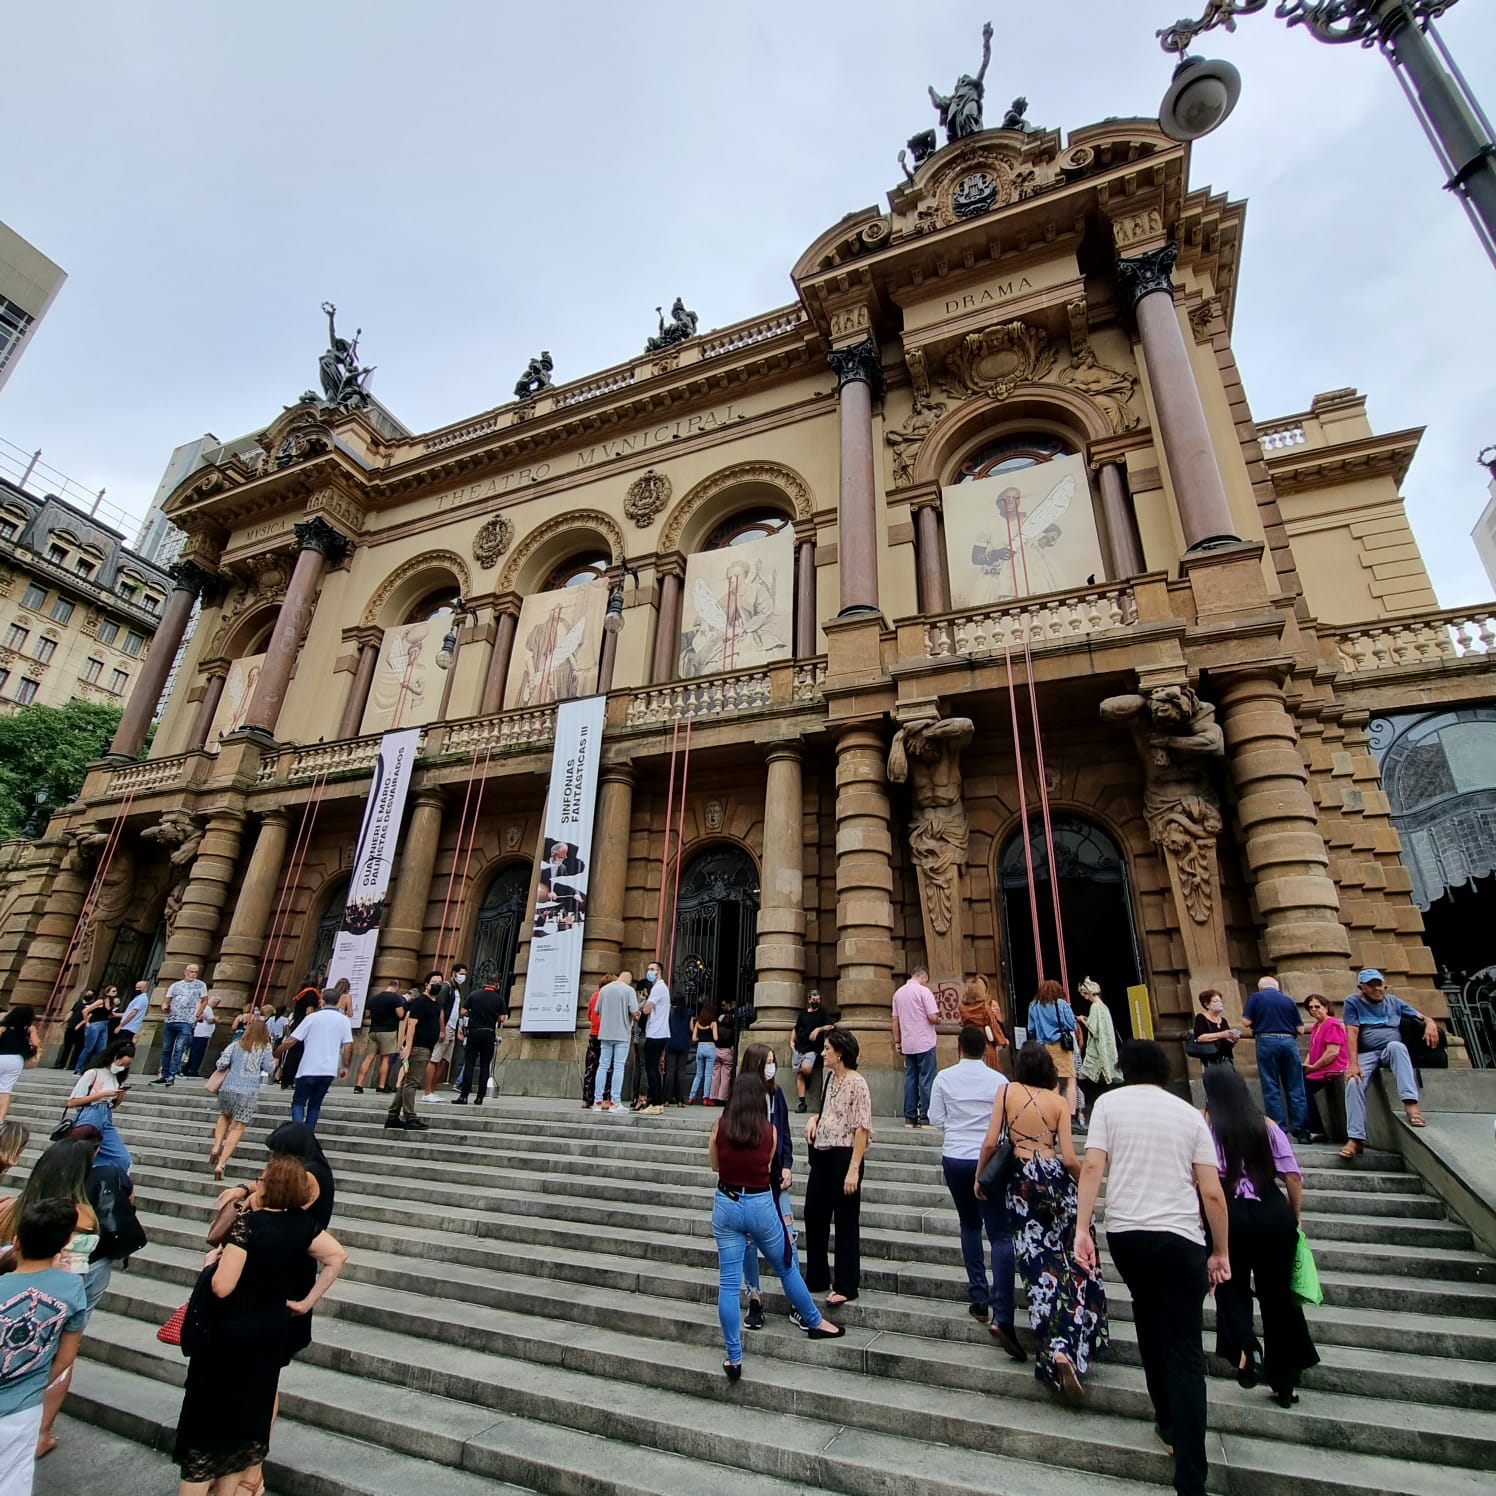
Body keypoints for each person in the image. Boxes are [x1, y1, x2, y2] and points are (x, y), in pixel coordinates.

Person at [1074, 1040, 1231, 1496]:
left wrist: (1083, 1229)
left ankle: (1165, 1419)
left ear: (1122, 1067)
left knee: (1147, 1316)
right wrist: (1220, 1251)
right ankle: (1191, 1474)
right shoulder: (1187, 1113)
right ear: (1165, 1072)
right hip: (1183, 1239)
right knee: (1185, 1351)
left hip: (1129, 1237)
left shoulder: (1108, 1103)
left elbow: (1092, 1168)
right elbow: (1213, 1192)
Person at [173, 1155, 347, 1493]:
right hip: (270, 1336)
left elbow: (223, 1286)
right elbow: (337, 1256)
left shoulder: (247, 1226)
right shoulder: (303, 1225)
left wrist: (210, 1264)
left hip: (227, 1339)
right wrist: (307, 1301)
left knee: (205, 1435)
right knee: (243, 1433)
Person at [978, 1040, 1106, 1398]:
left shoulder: (1006, 1092)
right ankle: (1068, 1344)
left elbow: (990, 1142)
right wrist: (1088, 1185)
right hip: (1055, 1180)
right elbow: (1068, 1157)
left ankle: (1053, 1345)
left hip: (1021, 1182)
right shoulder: (1059, 1102)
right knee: (1070, 1263)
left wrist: (979, 1176)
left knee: (1037, 1266)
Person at [709, 1070, 841, 1378]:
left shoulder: (720, 1127)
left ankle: (734, 1357)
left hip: (727, 1203)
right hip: (759, 1203)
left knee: (728, 1284)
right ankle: (814, 1320)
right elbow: (767, 1164)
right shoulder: (770, 1131)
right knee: (785, 1265)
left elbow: (715, 1164)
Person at [1202, 1064, 1318, 1407]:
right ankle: (1285, 1382)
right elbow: (1293, 1177)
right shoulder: (1267, 1126)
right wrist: (1292, 1218)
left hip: (1229, 1213)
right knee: (1280, 1298)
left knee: (1230, 1288)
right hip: (1271, 1211)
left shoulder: (1208, 1130)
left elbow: (1204, 1182)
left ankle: (1245, 1346)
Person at [0, 1139, 98, 1460]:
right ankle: (42, 1431)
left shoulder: (14, 1208)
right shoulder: (81, 1217)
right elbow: (65, 1358)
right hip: (52, 1310)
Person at [931, 1026, 1022, 1359]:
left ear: (958, 1048)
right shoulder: (1000, 1081)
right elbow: (1008, 1124)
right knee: (999, 1234)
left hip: (955, 1156)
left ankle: (979, 1300)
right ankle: (1002, 1310)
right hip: (991, 1163)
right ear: (986, 1050)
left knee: (969, 1225)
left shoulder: (944, 1078)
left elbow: (935, 1118)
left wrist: (959, 1125)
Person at [0, 1200, 88, 1496]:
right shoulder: (71, 1288)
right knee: (13, 1480)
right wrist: (35, 1380)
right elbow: (65, 1358)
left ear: (16, 1240)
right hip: (24, 1405)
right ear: (64, 1244)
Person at [1340, 967, 1442, 1160]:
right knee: (1353, 1083)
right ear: (1361, 987)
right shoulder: (1352, 1002)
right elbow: (1351, 1033)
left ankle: (1411, 1106)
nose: (1377, 989)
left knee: (1397, 1046)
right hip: (1366, 1054)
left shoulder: (1394, 1002)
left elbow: (1422, 1017)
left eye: (1379, 984)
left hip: (1390, 1051)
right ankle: (1355, 1138)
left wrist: (1430, 1024)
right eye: (1371, 985)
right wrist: (1352, 1064)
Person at [803, 1028, 872, 1306]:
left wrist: (854, 1168)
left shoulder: (858, 1083)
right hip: (822, 1156)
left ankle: (846, 1284)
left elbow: (861, 1127)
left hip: (845, 1157)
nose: (823, 1053)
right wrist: (813, 1119)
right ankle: (817, 1276)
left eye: (827, 1049)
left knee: (845, 1222)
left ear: (840, 1053)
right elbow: (831, 1112)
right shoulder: (830, 1079)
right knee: (813, 1214)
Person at [735, 1043, 796, 1331]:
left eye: (774, 1061)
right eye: (767, 1062)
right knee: (748, 1241)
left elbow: (784, 1132)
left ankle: (795, 1297)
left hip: (775, 1177)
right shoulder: (743, 1098)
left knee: (788, 1234)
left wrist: (787, 1164)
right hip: (750, 1179)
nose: (771, 1067)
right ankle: (754, 1296)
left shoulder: (777, 1094)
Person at [1242, 977, 1312, 1144]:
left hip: (1266, 1041)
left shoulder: (1255, 998)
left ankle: (1279, 1130)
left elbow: (1246, 1022)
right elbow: (1301, 1029)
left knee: (1271, 1086)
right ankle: (1302, 1131)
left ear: (1260, 987)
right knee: (1296, 1087)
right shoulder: (1288, 1000)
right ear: (1277, 987)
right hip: (1289, 1042)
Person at [208, 1017, 276, 1179]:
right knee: (238, 1126)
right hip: (248, 1091)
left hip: (228, 1088)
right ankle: (221, 1163)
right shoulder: (265, 1048)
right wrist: (274, 1062)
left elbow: (221, 1064)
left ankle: (216, 1146)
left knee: (224, 1116)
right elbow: (269, 1068)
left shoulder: (235, 1044)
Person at [278, 989, 352, 1130]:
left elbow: (292, 1040)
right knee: (315, 1105)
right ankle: (308, 1136)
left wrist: (277, 1053)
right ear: (338, 1001)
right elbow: (348, 1045)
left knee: (299, 1103)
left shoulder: (312, 1018)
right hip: (328, 1070)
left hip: (308, 1068)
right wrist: (345, 1066)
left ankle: (298, 1133)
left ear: (322, 1000)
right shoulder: (344, 1020)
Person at [63, 1037, 135, 1173]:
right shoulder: (93, 1073)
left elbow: (112, 1105)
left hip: (105, 1116)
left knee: (122, 1159)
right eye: (121, 1063)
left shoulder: (117, 1077)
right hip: (89, 1115)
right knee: (80, 1156)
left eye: (126, 1065)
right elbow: (72, 1102)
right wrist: (101, 1095)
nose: (122, 1067)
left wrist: (119, 1097)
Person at [384, 976, 441, 1131]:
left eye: (440, 983)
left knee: (405, 1082)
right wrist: (408, 1046)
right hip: (418, 1047)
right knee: (412, 1082)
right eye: (434, 983)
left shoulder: (435, 1004)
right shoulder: (420, 1002)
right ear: (427, 984)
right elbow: (411, 1024)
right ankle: (410, 1116)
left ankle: (393, 1116)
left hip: (426, 1047)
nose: (437, 985)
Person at [891, 965, 940, 1128]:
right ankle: (926, 1117)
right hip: (925, 1042)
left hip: (908, 1044)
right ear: (923, 977)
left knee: (910, 1079)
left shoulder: (898, 994)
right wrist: (939, 1020)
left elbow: (895, 1021)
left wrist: (897, 1042)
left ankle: (910, 1117)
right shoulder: (924, 992)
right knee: (926, 1079)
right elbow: (932, 1017)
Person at [1026, 979, 1080, 1115]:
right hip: (1060, 1045)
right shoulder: (1061, 1004)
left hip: (1042, 1046)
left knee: (1052, 1080)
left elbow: (1031, 1029)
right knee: (1070, 1079)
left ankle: (1053, 1114)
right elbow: (1071, 1025)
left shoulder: (1033, 1005)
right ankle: (1070, 1115)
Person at [151, 962, 208, 1088]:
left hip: (186, 1021)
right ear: (185, 972)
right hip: (171, 1020)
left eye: (196, 972)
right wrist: (164, 1007)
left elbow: (205, 1000)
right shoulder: (175, 985)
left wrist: (198, 1014)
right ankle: (164, 1074)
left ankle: (172, 1075)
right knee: (166, 1049)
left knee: (179, 1048)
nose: (193, 974)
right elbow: (166, 1000)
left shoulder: (200, 985)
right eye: (191, 971)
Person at [1301, 995, 1347, 1143]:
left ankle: (1317, 1130)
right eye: (1311, 1008)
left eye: (1317, 1006)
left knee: (1304, 1086)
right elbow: (1312, 1049)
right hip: (1319, 1068)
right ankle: (1310, 1127)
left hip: (1332, 1067)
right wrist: (1306, 1066)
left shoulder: (1332, 1024)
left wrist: (1313, 1068)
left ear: (1326, 1007)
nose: (1314, 1010)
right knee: (1299, 1082)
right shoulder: (1316, 1026)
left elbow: (1332, 1052)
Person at [592, 970, 639, 1113]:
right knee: (619, 1066)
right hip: (622, 1033)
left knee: (603, 1065)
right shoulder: (629, 990)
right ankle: (615, 1102)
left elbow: (596, 1011)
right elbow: (635, 1012)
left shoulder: (604, 990)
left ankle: (597, 1101)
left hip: (605, 1033)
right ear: (629, 979)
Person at [454, 978, 507, 1105]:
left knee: (469, 1064)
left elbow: (463, 1011)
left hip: (474, 1033)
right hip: (488, 1033)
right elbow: (502, 1018)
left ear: (485, 984)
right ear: (496, 985)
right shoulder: (499, 999)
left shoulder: (474, 995)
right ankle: (480, 1097)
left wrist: (472, 1013)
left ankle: (464, 1096)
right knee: (485, 1066)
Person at [1075, 979, 1119, 1120]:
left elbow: (1094, 1029)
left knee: (1082, 1077)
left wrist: (1082, 1020)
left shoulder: (1094, 1007)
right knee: (1102, 1078)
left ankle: (1095, 1105)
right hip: (1105, 1049)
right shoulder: (1104, 1007)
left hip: (1095, 1051)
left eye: (1084, 993)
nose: (1084, 997)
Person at [355, 985, 406, 1095]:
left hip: (373, 1030)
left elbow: (368, 1015)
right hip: (388, 1031)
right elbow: (401, 1014)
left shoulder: (374, 998)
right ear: (396, 988)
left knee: (368, 1057)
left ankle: (359, 1085)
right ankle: (381, 1086)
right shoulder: (395, 998)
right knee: (385, 1058)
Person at [635, 960, 671, 1116]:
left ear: (659, 972)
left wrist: (641, 1008)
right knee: (654, 1069)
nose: (649, 971)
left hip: (655, 1033)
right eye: (648, 968)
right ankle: (658, 1101)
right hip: (660, 1033)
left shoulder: (658, 988)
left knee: (651, 1069)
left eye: (652, 969)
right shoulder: (662, 988)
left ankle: (656, 1102)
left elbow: (648, 1009)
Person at [425, 965, 466, 1100]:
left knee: (445, 1060)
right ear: (454, 973)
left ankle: (433, 1089)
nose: (463, 976)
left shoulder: (457, 989)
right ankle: (427, 1091)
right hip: (446, 1026)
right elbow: (440, 1008)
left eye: (465, 974)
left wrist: (459, 1028)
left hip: (453, 1028)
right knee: (435, 1058)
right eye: (461, 973)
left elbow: (456, 1011)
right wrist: (442, 1029)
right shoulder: (446, 987)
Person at [790, 989, 835, 1112]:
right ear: (809, 999)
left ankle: (808, 1077)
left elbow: (831, 1026)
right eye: (813, 999)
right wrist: (792, 1042)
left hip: (813, 1049)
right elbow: (796, 1028)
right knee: (799, 1075)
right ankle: (802, 1103)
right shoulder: (803, 1015)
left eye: (817, 999)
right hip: (800, 1047)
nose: (815, 1001)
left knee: (806, 1069)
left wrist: (818, 1029)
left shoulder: (822, 1013)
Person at [278, 976, 323, 1090]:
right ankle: (293, 1079)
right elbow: (309, 1011)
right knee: (300, 1054)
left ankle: (286, 1080)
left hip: (297, 1024)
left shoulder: (302, 992)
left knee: (293, 1053)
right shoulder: (312, 994)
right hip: (304, 1027)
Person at [956, 974, 1008, 1073]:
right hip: (984, 1042)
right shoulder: (984, 1007)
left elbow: (963, 1022)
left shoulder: (961, 1007)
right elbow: (994, 1026)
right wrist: (1003, 1041)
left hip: (966, 1042)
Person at [0, 1006, 40, 1122]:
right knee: (5, 1090)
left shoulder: (4, 1027)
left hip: (1, 1056)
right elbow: (36, 1043)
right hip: (16, 1060)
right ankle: (1, 1119)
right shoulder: (29, 1028)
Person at [581, 975, 611, 1109]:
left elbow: (589, 1015)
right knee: (606, 1067)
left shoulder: (594, 996)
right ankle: (605, 1098)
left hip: (593, 1034)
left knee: (591, 1067)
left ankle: (587, 1099)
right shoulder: (610, 997)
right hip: (606, 1035)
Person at [1190, 989, 1239, 1068]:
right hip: (1210, 1060)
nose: (1219, 1004)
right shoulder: (1201, 1018)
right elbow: (1200, 1038)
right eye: (1215, 1001)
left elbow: (1228, 1043)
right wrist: (1222, 1034)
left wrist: (1234, 1040)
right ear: (1207, 1004)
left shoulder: (1223, 1021)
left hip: (1227, 1060)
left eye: (1220, 1001)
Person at [72, 990, 111, 1076]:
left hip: (104, 1025)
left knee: (101, 1049)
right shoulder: (101, 1001)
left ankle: (94, 1068)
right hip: (95, 1024)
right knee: (89, 1047)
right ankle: (78, 1069)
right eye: (113, 991)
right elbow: (85, 1011)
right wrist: (86, 1022)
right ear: (107, 992)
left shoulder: (110, 1002)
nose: (115, 993)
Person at [664, 989, 693, 1105]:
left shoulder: (670, 1012)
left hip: (671, 1042)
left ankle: (666, 1099)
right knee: (681, 1071)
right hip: (684, 1043)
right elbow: (691, 1028)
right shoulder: (689, 1012)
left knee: (670, 1071)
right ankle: (680, 1099)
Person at [688, 1002, 719, 1104]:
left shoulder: (698, 1022)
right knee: (708, 1074)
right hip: (710, 1046)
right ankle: (706, 1098)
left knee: (698, 1074)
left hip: (700, 1047)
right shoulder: (713, 1023)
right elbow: (715, 1037)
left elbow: (694, 1038)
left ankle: (691, 1097)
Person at [183, 991, 218, 1078]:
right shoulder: (208, 1008)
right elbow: (210, 1020)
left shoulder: (205, 1008)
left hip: (200, 1034)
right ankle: (193, 1070)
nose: (217, 1005)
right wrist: (216, 1019)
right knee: (198, 1053)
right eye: (217, 1003)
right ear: (214, 1002)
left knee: (194, 1052)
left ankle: (187, 1069)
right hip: (202, 1034)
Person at [54, 993, 88, 1072]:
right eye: (87, 993)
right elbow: (71, 1012)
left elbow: (89, 1016)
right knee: (67, 1046)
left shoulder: (93, 1004)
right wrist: (65, 1020)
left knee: (78, 1048)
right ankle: (61, 1064)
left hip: (82, 1029)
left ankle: (72, 1065)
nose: (88, 994)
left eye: (90, 994)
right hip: (71, 1026)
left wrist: (80, 1025)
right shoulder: (78, 1003)